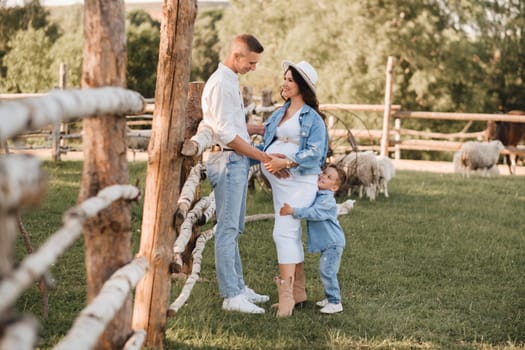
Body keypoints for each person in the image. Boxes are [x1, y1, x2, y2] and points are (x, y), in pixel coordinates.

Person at [201, 34, 275, 314]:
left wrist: (253, 129)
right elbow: (226, 134)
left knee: (235, 227)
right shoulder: (220, 84)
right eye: (251, 62)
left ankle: (240, 287)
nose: (253, 68)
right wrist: (262, 156)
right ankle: (231, 296)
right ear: (237, 56)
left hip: (236, 160)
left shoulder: (231, 80)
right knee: (227, 229)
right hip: (228, 159)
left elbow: (233, 124)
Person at [261, 60, 329, 317]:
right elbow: (269, 137)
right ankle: (298, 291)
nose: (285, 83)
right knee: (289, 233)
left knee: (283, 233)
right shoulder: (282, 111)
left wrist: (285, 161)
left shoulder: (313, 118)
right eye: (285, 78)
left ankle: (286, 297)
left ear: (302, 86)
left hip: (300, 182)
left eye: (291, 80)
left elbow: (316, 153)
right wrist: (268, 159)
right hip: (281, 183)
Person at [279, 164, 347, 314]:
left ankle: (335, 302)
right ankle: (330, 298)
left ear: (334, 188)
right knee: (326, 271)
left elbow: (314, 213)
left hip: (333, 243)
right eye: (323, 173)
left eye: (329, 177)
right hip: (328, 243)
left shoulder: (327, 201)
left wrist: (293, 211)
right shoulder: (319, 195)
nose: (323, 176)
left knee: (327, 272)